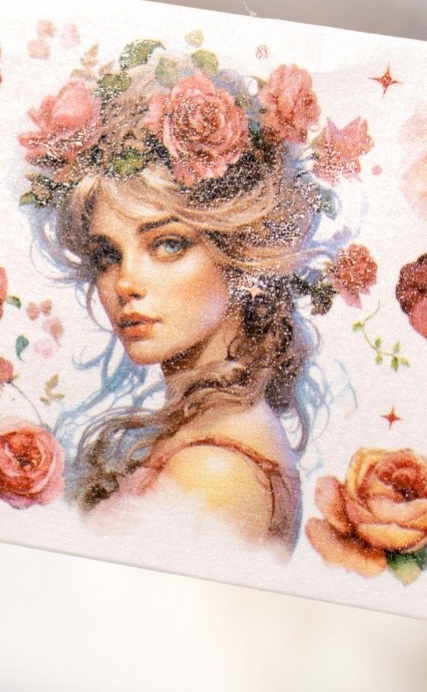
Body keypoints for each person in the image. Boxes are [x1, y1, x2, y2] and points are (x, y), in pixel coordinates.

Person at [19, 43, 333, 553]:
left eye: (167, 244)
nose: (125, 283)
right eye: (107, 255)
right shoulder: (204, 432)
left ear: (239, 253)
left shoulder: (215, 470)